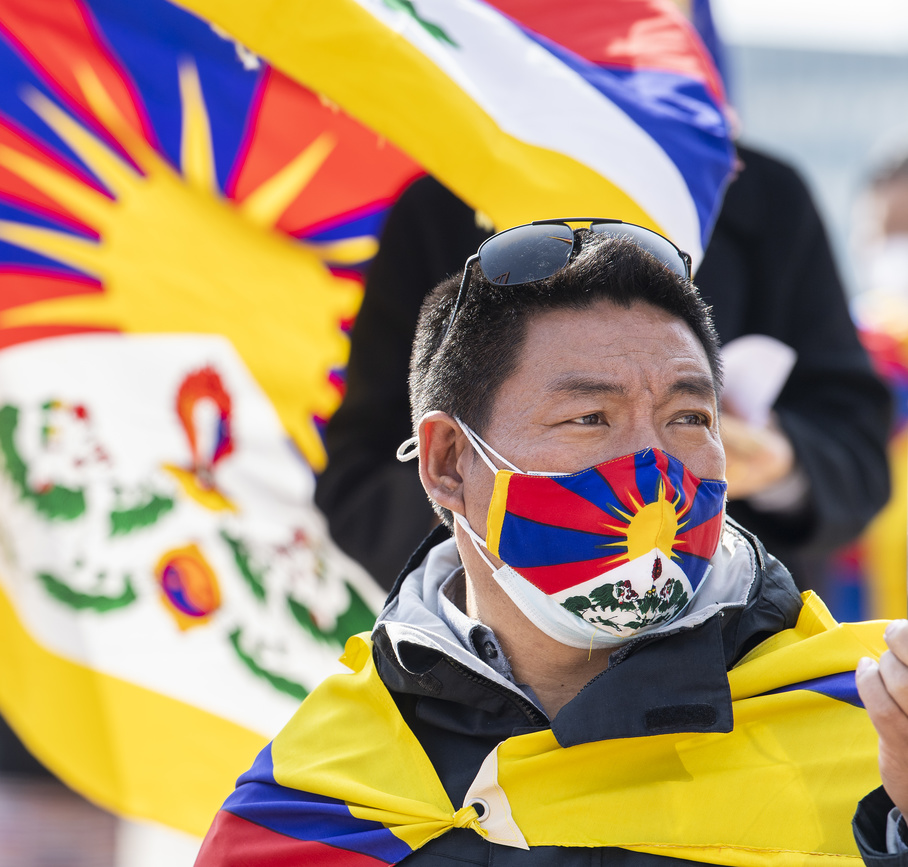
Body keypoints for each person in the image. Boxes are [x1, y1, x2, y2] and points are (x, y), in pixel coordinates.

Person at [196, 223, 908, 865]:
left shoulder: (871, 727)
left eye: (689, 416)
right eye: (590, 417)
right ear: (447, 462)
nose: (654, 472)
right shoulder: (306, 808)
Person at [317, 147, 893, 601]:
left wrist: (779, 465)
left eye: (688, 417)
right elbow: (361, 494)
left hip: (737, 676)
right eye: (589, 416)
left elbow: (857, 459)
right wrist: (520, 506)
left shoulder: (767, 201)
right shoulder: (438, 208)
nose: (646, 463)